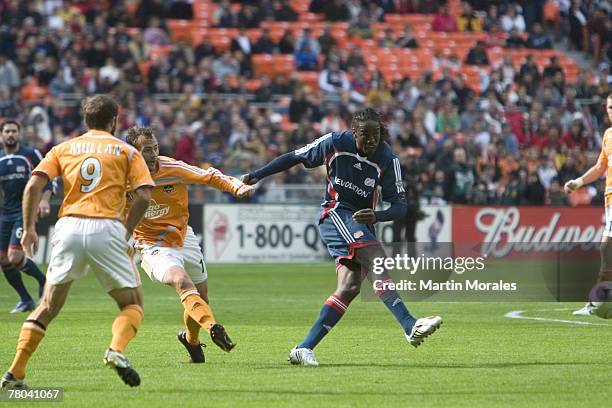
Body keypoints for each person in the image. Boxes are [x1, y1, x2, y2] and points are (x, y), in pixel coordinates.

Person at [241, 108, 442, 366]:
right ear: (353, 132)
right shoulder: (335, 141)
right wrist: (257, 175)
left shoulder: (387, 158)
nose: (372, 141)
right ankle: (409, 324)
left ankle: (303, 349)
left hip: (361, 220)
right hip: (335, 212)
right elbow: (294, 157)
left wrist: (377, 216)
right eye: (366, 136)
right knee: (376, 258)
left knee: (349, 287)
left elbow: (400, 205)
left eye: (377, 135)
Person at [1, 95, 154, 389]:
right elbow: (145, 195)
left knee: (47, 305)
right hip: (107, 226)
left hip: (68, 226)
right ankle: (116, 350)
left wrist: (30, 228)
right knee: (132, 304)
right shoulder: (126, 151)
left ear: (86, 121)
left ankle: (15, 373)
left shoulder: (64, 148)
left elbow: (34, 184)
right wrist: (127, 230)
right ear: (113, 120)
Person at [124, 127, 255, 362]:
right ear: (133, 152)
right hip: (152, 245)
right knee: (180, 280)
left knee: (200, 298)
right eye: (146, 150)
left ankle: (191, 340)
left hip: (184, 237)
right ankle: (213, 327)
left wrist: (236, 186)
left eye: (155, 148)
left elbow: (210, 176)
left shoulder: (172, 168)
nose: (153, 154)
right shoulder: (122, 178)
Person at [565, 93, 612, 316]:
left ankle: (596, 302)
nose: (611, 111)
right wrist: (579, 181)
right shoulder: (608, 135)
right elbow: (600, 167)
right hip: (610, 198)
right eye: (609, 107)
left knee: (606, 248)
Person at [0, 120, 51, 313]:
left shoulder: (30, 155)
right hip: (4, 214)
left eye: (14, 131)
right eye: (7, 131)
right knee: (3, 260)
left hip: (23, 213)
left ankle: (43, 281)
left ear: (19, 134)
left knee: (14, 256)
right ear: (2, 135)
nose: (11, 134)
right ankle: (26, 299)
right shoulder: (0, 158)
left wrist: (44, 201)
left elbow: (48, 179)